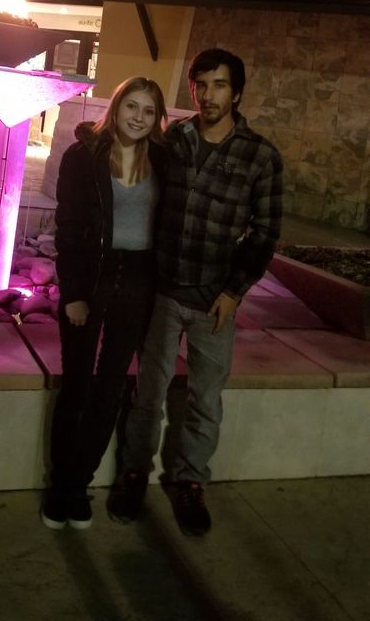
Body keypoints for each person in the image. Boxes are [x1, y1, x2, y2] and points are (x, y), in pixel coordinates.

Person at [108, 48, 283, 536]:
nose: (208, 95)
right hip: (165, 291)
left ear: (237, 92)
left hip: (214, 301)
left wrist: (234, 292)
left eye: (219, 85)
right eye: (200, 85)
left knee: (206, 398)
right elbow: (128, 150)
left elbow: (265, 232)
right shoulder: (175, 140)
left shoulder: (260, 156)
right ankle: (134, 472)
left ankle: (189, 482)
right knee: (149, 393)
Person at [41, 76, 167, 530]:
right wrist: (73, 293)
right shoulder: (84, 156)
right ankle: (59, 487)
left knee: (111, 386)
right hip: (92, 276)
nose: (139, 117)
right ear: (116, 108)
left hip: (137, 279)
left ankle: (80, 485)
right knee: (77, 385)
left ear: (157, 119)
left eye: (148, 111)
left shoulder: (162, 160)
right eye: (132, 106)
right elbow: (70, 226)